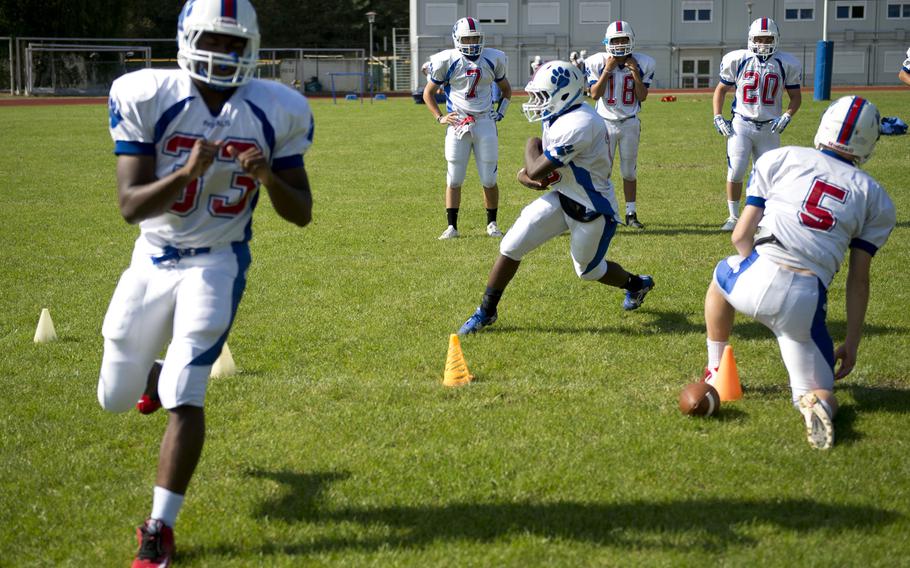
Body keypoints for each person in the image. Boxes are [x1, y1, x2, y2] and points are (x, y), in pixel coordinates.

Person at [100, 0, 314, 565]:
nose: (221, 54)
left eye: (232, 43)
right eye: (211, 41)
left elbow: (302, 213)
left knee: (186, 391)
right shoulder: (147, 95)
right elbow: (129, 205)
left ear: (251, 47)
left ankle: (158, 528)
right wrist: (186, 173)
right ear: (186, 39)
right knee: (114, 397)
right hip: (152, 255)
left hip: (217, 259)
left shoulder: (274, 109)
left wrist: (267, 175)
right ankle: (149, 370)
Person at [702, 96, 895, 450]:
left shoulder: (782, 158)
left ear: (824, 126)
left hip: (753, 276)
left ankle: (715, 368)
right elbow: (859, 280)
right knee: (821, 390)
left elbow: (740, 236)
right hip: (804, 302)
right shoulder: (875, 197)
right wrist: (851, 341)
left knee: (720, 278)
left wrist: (756, 268)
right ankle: (815, 406)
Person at [458, 61, 654, 335]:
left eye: (541, 96)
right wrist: (531, 166)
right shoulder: (562, 112)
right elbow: (537, 161)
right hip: (563, 195)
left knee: (588, 271)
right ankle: (486, 311)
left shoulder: (581, 123)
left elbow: (536, 169)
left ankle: (636, 284)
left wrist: (528, 163)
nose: (535, 102)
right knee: (512, 244)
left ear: (564, 93)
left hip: (591, 208)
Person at [423, 17, 512, 240]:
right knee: (454, 178)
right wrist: (439, 117)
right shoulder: (447, 60)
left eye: (475, 38)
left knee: (489, 179)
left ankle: (492, 223)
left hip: (484, 122)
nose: (472, 43)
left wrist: (501, 111)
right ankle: (451, 226)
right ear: (457, 39)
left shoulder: (493, 58)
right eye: (467, 38)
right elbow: (428, 93)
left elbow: (506, 90)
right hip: (458, 123)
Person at [712, 17, 802, 231]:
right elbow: (721, 90)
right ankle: (734, 217)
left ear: (776, 39)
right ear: (751, 39)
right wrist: (717, 116)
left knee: (767, 176)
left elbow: (796, 97)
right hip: (742, 123)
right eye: (759, 38)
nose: (763, 43)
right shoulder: (738, 59)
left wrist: (787, 115)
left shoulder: (786, 62)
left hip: (770, 126)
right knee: (736, 171)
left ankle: (763, 218)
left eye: (768, 38)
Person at [585, 20, 655, 230]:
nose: (620, 43)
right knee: (601, 171)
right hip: (604, 123)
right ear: (608, 42)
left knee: (628, 171)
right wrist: (607, 70)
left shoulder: (644, 63)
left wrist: (635, 74)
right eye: (616, 40)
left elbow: (642, 97)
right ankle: (602, 211)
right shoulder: (597, 62)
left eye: (624, 39)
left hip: (629, 123)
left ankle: (630, 213)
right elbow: (594, 94)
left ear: (631, 40)